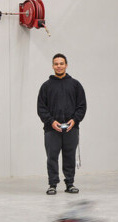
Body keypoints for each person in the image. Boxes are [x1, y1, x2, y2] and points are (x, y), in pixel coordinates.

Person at [37, 53, 86, 194]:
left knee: (69, 156)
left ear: (66, 65)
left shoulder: (75, 85)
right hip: (52, 129)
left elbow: (82, 106)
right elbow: (41, 108)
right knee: (52, 157)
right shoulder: (46, 87)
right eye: (56, 64)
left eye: (61, 63)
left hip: (71, 128)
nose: (59, 66)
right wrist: (51, 122)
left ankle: (70, 184)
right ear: (53, 66)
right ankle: (52, 184)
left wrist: (75, 120)